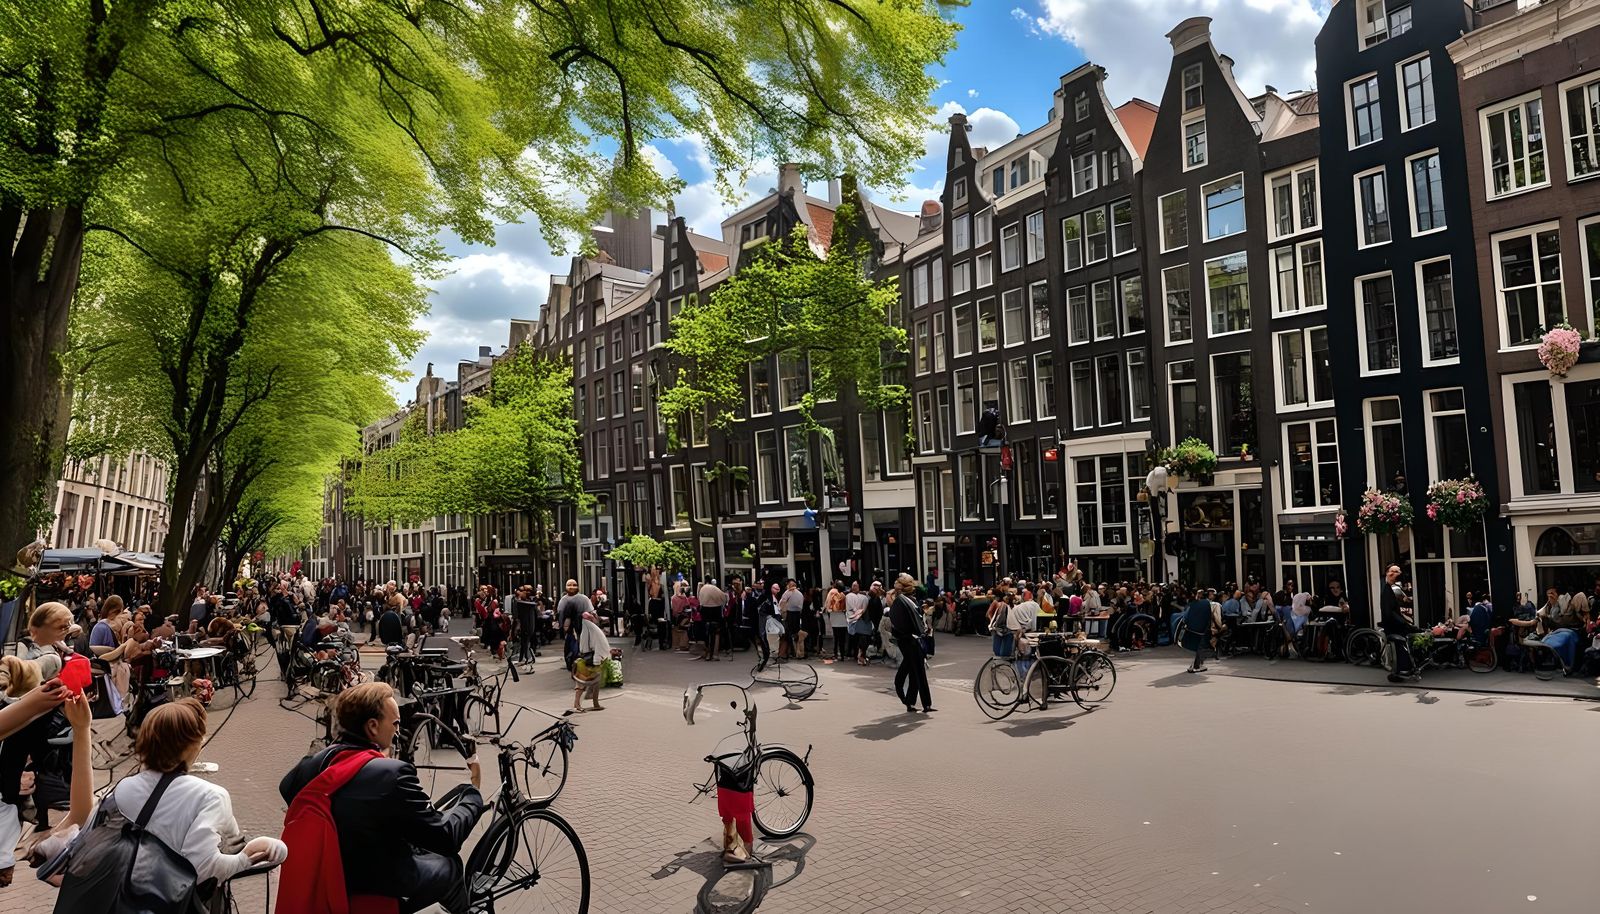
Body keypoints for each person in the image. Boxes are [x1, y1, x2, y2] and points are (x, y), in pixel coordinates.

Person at [279, 683, 485, 913]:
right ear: (373, 726)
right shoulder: (392, 774)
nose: (398, 731)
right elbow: (445, 837)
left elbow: (286, 787)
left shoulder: (315, 764)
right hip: (380, 883)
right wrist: (472, 797)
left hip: (330, 876)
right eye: (395, 723)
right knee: (450, 865)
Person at [888, 573, 935, 713]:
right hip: (910, 640)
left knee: (914, 670)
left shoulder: (906, 600)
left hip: (910, 639)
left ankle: (910, 701)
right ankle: (923, 703)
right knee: (917, 671)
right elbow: (904, 624)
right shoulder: (902, 601)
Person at [1380, 565, 1418, 683]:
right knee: (1399, 647)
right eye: (1393, 571)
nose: (1395, 574)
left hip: (1397, 623)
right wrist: (1402, 622)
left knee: (1401, 646)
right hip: (1393, 625)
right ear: (1387, 573)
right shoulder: (1386, 589)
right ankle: (1400, 672)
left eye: (1397, 572)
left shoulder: (1392, 587)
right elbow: (1388, 611)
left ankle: (1403, 670)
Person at [570, 612, 610, 714]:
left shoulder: (584, 628)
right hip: (589, 658)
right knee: (583, 682)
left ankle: (594, 703)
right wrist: (597, 659)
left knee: (593, 681)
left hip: (588, 656)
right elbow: (597, 643)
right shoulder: (589, 628)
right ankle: (577, 704)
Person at [556, 580, 593, 670]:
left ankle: (577, 661)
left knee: (581, 644)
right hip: (570, 628)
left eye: (574, 585)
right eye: (569, 585)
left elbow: (590, 613)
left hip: (581, 626)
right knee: (572, 644)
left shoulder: (583, 599)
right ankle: (573, 661)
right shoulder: (563, 600)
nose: (571, 587)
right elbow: (560, 614)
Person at [1182, 586, 1212, 673]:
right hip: (1201, 629)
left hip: (1191, 628)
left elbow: (1186, 617)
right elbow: (1209, 617)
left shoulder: (1190, 604)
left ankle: (1194, 664)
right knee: (1199, 646)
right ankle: (1196, 665)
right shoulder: (1206, 603)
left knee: (1196, 647)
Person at [696, 576, 726, 661]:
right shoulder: (715, 588)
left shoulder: (702, 589)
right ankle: (715, 654)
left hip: (705, 610)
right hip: (715, 610)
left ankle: (708, 653)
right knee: (716, 632)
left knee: (707, 632)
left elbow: (699, 599)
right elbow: (724, 598)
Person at [510, 584, 538, 666]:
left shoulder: (529, 602)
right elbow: (516, 615)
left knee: (525, 641)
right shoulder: (518, 601)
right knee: (523, 642)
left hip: (527, 625)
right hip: (524, 624)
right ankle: (523, 657)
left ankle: (524, 657)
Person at [845, 581, 871, 665]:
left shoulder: (864, 597)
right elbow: (851, 608)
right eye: (853, 585)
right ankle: (856, 655)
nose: (854, 587)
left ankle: (860, 656)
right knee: (854, 639)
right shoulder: (849, 596)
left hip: (861, 620)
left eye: (855, 585)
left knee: (861, 639)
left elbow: (864, 608)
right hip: (853, 620)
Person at [778, 579, 805, 660]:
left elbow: (782, 604)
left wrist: (782, 613)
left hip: (789, 614)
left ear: (789, 585)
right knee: (796, 633)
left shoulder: (788, 593)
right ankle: (799, 652)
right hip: (797, 614)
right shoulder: (800, 594)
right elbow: (801, 606)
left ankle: (787, 652)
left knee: (787, 634)